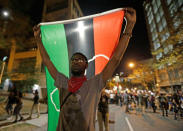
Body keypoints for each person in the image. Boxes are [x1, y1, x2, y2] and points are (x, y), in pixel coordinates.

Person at [34, 8, 136, 131]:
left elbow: (115, 60)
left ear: (86, 66)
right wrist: (38, 39)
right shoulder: (63, 82)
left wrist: (129, 27)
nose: (76, 61)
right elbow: (47, 61)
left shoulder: (95, 84)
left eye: (80, 59)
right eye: (73, 60)